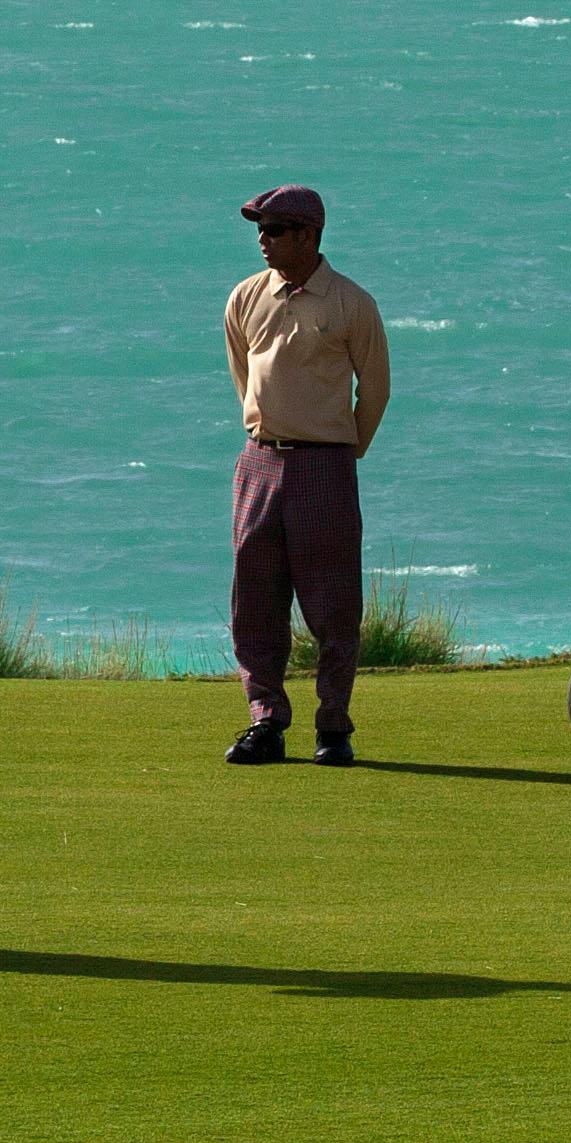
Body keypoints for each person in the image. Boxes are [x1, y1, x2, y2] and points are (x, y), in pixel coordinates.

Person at [219, 182, 391, 766]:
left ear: (308, 236)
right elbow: (244, 374)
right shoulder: (246, 297)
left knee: (333, 602)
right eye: (260, 231)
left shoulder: (350, 302)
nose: (263, 241)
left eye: (274, 231)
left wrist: (343, 449)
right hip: (259, 461)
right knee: (255, 599)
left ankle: (334, 727)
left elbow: (375, 388)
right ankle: (264, 720)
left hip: (325, 464)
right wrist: (270, 429)